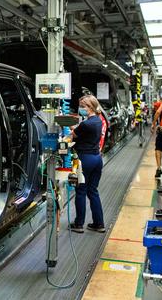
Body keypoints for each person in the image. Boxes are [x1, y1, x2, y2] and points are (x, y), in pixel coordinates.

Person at [70, 95, 105, 233]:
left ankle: (79, 224)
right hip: (97, 159)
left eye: (82, 106)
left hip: (85, 159)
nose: (80, 109)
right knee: (93, 191)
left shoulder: (85, 124)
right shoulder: (97, 121)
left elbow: (74, 134)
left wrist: (71, 128)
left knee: (81, 191)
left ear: (89, 107)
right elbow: (83, 130)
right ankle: (99, 223)